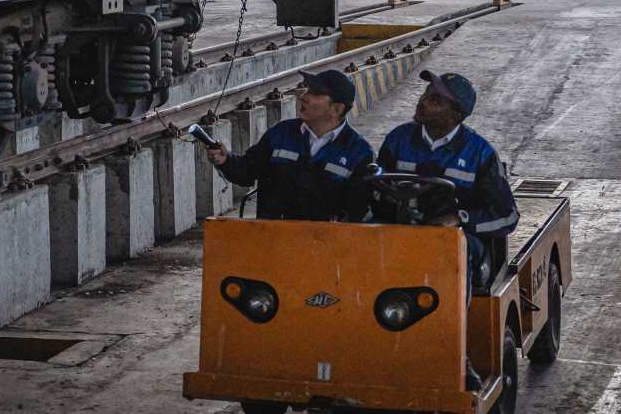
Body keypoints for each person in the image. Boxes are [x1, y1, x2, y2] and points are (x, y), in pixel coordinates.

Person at [376, 70, 519, 291]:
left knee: (454, 251)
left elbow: (507, 216)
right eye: (425, 93)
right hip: (401, 231)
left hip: (455, 242)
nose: (423, 101)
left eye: (435, 100)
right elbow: (376, 187)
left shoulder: (479, 153)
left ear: (455, 114)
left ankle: (453, 321)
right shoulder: (398, 139)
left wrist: (459, 218)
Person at [206, 69, 374, 220]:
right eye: (308, 89)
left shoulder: (359, 152)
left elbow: (358, 213)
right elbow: (248, 171)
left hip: (325, 246)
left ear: (337, 109)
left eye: (315, 93)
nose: (304, 96)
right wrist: (226, 160)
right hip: (273, 241)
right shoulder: (281, 134)